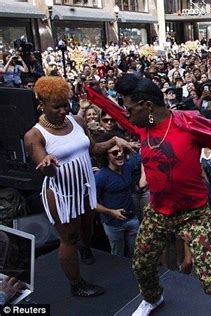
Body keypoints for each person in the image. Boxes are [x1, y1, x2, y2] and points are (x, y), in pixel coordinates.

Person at [85, 75, 211, 316]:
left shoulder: (187, 124)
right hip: (158, 213)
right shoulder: (139, 125)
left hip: (194, 216)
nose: (126, 114)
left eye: (130, 108)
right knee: (141, 265)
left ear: (147, 106)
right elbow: (114, 111)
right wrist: (91, 92)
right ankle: (153, 298)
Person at [24, 76, 132, 297]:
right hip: (62, 193)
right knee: (69, 237)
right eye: (57, 106)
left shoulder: (77, 121)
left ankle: (84, 249)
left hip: (85, 186)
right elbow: (46, 170)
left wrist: (113, 141)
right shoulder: (34, 135)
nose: (63, 110)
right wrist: (48, 165)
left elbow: (93, 149)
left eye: (66, 104)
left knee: (87, 229)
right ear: (41, 106)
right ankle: (76, 285)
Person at [94, 133, 140, 257]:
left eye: (121, 151)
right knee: (117, 254)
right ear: (106, 156)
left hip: (132, 219)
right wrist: (110, 212)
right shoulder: (100, 177)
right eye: (114, 153)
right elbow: (91, 203)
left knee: (136, 253)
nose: (120, 155)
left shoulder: (128, 167)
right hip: (113, 224)